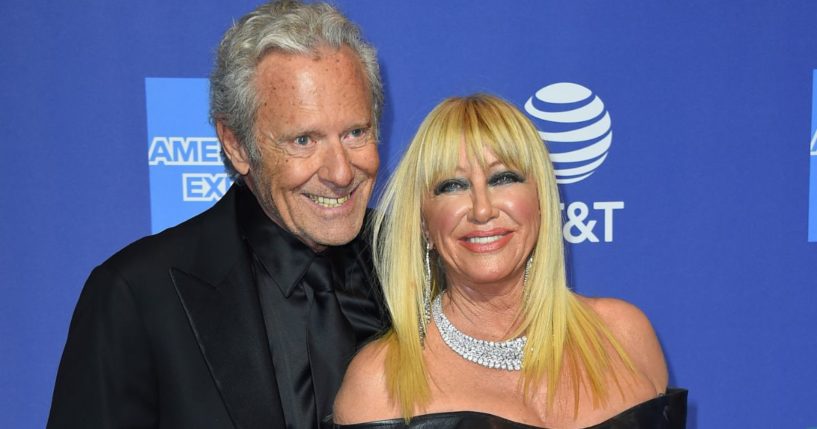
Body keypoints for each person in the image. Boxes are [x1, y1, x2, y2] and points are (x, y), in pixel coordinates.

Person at [47, 1, 387, 428]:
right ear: (236, 145)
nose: (340, 172)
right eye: (304, 140)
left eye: (356, 132)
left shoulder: (422, 263)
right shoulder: (136, 296)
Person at [333, 94, 686, 428]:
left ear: (541, 201)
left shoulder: (625, 336)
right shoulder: (380, 384)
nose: (483, 209)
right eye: (453, 186)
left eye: (503, 178)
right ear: (424, 224)